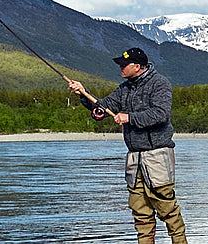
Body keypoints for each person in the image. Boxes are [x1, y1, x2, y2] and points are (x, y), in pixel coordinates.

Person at [68, 47, 188, 244]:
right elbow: (103, 106)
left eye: (124, 65)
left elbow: (160, 114)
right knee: (140, 214)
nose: (120, 67)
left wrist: (129, 118)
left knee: (168, 210)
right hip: (134, 158)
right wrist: (83, 93)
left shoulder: (160, 84)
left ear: (138, 66)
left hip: (157, 155)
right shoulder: (125, 88)